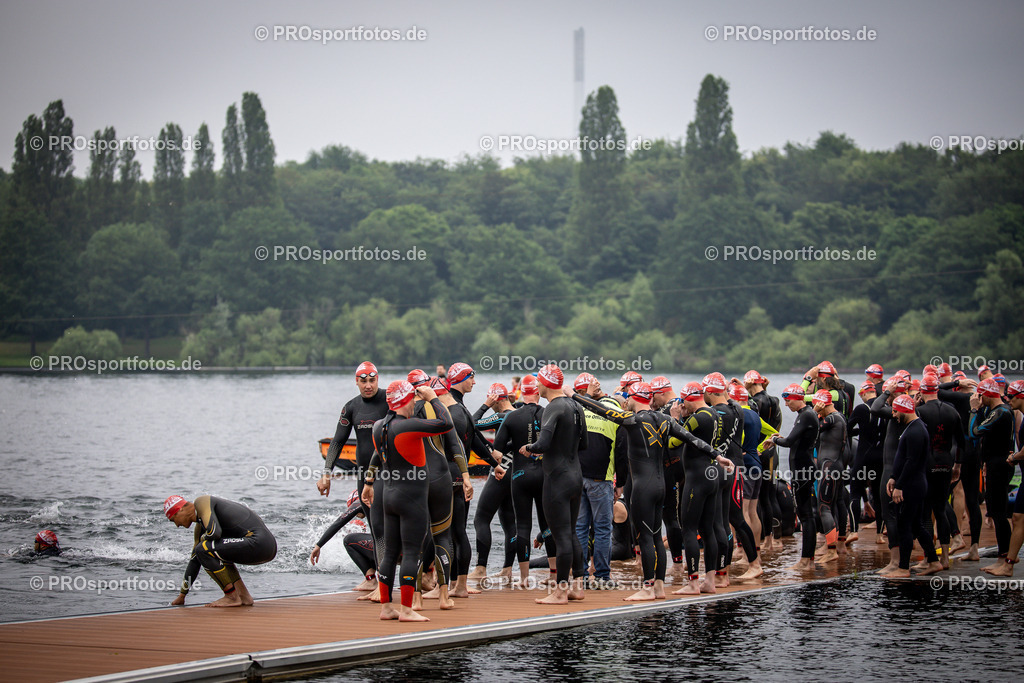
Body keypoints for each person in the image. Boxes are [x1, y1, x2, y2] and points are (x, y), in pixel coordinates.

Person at [574, 380, 723, 601]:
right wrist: (718, 456)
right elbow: (692, 439)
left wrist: (574, 396)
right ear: (650, 398)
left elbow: (602, 410)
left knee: (646, 538)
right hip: (661, 485)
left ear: (634, 398)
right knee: (654, 536)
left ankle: (647, 587)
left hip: (643, 488)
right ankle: (659, 587)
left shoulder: (632, 420)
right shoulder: (665, 419)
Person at [361, 380, 454, 622]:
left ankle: (386, 607)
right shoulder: (407, 426)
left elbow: (377, 459)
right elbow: (446, 423)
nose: (415, 404)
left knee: (390, 554)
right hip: (411, 499)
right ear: (405, 400)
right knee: (412, 553)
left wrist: (368, 483)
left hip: (388, 497)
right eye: (412, 400)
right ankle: (406, 610)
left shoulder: (378, 427)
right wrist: (433, 397)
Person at [520, 364, 589, 605]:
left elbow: (543, 443)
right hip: (575, 476)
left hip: (557, 479)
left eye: (538, 381)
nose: (536, 386)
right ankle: (578, 587)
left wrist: (528, 449)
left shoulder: (553, 407)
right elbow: (584, 445)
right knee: (570, 533)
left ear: (546, 383)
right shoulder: (576, 406)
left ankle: (560, 592)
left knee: (560, 537)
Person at [493, 374, 558, 584]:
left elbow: (498, 451)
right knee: (547, 523)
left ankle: (523, 578)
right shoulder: (549, 412)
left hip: (520, 476)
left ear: (522, 392)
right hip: (544, 475)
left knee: (523, 526)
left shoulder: (512, 417)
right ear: (538, 392)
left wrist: (497, 466)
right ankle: (554, 574)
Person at [672, 382, 734, 594]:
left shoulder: (697, 418)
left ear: (688, 399)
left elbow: (673, 441)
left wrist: (676, 418)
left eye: (683, 403)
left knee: (688, 529)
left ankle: (692, 584)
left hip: (696, 477)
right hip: (713, 475)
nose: (682, 406)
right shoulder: (716, 415)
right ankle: (710, 581)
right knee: (708, 530)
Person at [166, 494, 277, 608]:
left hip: (259, 542)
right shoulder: (202, 526)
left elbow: (215, 532)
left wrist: (202, 540)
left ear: (181, 509)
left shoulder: (201, 502)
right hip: (265, 547)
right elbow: (195, 560)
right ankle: (243, 596)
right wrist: (182, 595)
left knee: (203, 548)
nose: (177, 525)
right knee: (210, 551)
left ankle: (231, 596)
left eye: (173, 519)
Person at [571, 372, 626, 590]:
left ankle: (582, 575)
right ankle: (603, 576)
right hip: (601, 479)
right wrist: (620, 482)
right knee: (603, 529)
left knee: (580, 528)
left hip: (578, 477)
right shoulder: (615, 412)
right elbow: (622, 451)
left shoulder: (577, 409)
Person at [703, 372, 759, 584]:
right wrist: (729, 388)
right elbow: (735, 401)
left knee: (726, 521)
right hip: (738, 469)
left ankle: (727, 572)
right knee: (734, 519)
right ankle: (750, 564)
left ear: (709, 391)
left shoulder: (715, 413)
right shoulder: (737, 409)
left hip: (727, 471)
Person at [880, 395, 943, 578]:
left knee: (904, 526)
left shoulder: (916, 430)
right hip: (912, 483)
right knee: (916, 525)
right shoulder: (913, 427)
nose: (893, 414)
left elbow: (912, 462)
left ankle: (903, 568)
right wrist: (893, 477)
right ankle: (933, 561)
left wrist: (899, 486)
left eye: (895, 410)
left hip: (912, 485)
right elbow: (904, 459)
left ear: (904, 409)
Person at [317, 362, 389, 508]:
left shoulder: (389, 400)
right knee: (375, 526)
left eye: (372, 381)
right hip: (363, 475)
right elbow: (337, 442)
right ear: (356, 382)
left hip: (388, 473)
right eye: (363, 381)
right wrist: (326, 474)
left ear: (377, 379)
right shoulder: (351, 407)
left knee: (385, 526)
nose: (368, 386)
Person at [764, 384, 820, 571]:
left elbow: (788, 442)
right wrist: (779, 438)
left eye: (788, 400)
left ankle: (806, 560)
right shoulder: (805, 415)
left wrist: (774, 439)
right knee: (805, 515)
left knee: (806, 516)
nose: (786, 404)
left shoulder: (806, 415)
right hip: (801, 469)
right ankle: (807, 559)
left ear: (798, 398)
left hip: (803, 470)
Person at [468, 383, 517, 581]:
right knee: (509, 522)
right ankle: (508, 569)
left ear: (496, 400)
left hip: (500, 472)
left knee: (481, 519)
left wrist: (485, 405)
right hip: (517, 474)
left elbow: (470, 424)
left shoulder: (501, 416)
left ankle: (480, 569)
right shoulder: (520, 413)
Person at [916, 373, 964, 570]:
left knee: (926, 512)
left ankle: (929, 558)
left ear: (922, 391)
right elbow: (962, 442)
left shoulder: (919, 411)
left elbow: (917, 440)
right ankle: (944, 558)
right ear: (937, 390)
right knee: (941, 508)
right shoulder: (952, 412)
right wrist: (957, 466)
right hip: (946, 462)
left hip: (927, 463)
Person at [730, 381, 776, 577]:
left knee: (743, 513)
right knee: (752, 511)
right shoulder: (755, 416)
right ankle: (755, 551)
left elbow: (735, 442)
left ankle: (747, 555)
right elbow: (774, 433)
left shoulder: (738, 415)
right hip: (757, 463)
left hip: (745, 465)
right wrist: (758, 449)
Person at [971, 378, 1016, 567]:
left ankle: (1005, 553)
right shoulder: (996, 410)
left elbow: (974, 432)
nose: (978, 398)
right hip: (995, 463)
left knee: (998, 511)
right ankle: (1004, 551)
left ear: (987, 394)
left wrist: (974, 410)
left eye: (980, 395)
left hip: (1000, 464)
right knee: (996, 508)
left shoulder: (1001, 412)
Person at [984, 380, 1024, 576]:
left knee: (1011, 516)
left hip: (1006, 465)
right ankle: (1008, 562)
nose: (1008, 398)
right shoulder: (1018, 415)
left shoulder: (1006, 413)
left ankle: (1007, 561)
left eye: (1012, 396)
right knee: (1016, 517)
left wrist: (1014, 457)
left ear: (1021, 396)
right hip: (1020, 474)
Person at [870, 376, 910, 570]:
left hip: (892, 471)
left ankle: (897, 562)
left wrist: (887, 392)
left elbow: (875, 408)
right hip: (899, 470)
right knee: (901, 517)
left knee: (891, 515)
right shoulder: (908, 413)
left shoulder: (899, 413)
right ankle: (907, 561)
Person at [309, 489, 377, 591]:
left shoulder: (361, 501)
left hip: (388, 550)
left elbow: (339, 522)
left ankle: (370, 580)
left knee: (349, 540)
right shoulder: (384, 497)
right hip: (405, 552)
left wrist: (318, 545)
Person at [651, 376, 685, 568]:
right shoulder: (682, 404)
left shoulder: (665, 412)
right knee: (682, 517)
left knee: (671, 518)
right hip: (684, 466)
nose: (651, 400)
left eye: (653, 396)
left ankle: (678, 564)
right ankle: (685, 562)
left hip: (669, 468)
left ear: (660, 393)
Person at [810, 389, 846, 564]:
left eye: (818, 405)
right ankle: (833, 546)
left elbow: (812, 429)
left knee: (824, 507)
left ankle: (831, 551)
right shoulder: (839, 417)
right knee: (833, 506)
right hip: (835, 466)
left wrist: (815, 412)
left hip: (829, 467)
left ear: (823, 404)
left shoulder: (831, 418)